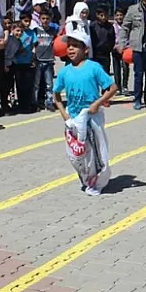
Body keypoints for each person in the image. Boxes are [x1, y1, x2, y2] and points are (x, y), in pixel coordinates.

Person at [53, 29, 118, 196]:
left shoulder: (93, 67)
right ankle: (86, 178)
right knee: (76, 154)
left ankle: (98, 181)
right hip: (73, 119)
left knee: (95, 151)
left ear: (86, 49)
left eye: (75, 46)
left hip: (92, 118)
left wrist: (98, 103)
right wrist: (65, 116)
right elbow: (56, 95)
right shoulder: (65, 71)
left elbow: (112, 88)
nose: (71, 50)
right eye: (69, 46)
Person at [4, 14, 37, 113]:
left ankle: (26, 105)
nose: (20, 32)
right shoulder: (11, 39)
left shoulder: (30, 34)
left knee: (27, 85)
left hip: (27, 62)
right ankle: (14, 104)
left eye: (21, 31)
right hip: (16, 63)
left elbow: (34, 46)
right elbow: (6, 53)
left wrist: (33, 58)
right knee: (16, 84)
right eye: (24, 21)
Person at [33, 11, 58, 111]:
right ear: (39, 19)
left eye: (47, 19)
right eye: (43, 18)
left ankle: (49, 102)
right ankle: (35, 102)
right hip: (38, 60)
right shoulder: (36, 31)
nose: (45, 21)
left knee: (49, 84)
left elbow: (57, 43)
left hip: (49, 60)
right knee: (36, 84)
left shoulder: (53, 31)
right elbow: (33, 44)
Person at [90, 6, 116, 76]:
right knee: (94, 75)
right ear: (97, 15)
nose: (104, 17)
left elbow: (112, 40)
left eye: (106, 15)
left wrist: (108, 49)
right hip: (95, 55)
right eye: (102, 15)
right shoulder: (92, 26)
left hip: (105, 55)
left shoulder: (110, 27)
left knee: (105, 75)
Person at [111, 8, 130, 95]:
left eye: (121, 15)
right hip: (115, 49)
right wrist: (114, 46)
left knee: (125, 68)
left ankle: (125, 86)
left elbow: (129, 38)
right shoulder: (112, 27)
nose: (119, 17)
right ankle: (118, 87)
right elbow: (110, 38)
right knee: (116, 69)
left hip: (125, 49)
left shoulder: (126, 26)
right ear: (114, 17)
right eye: (117, 15)